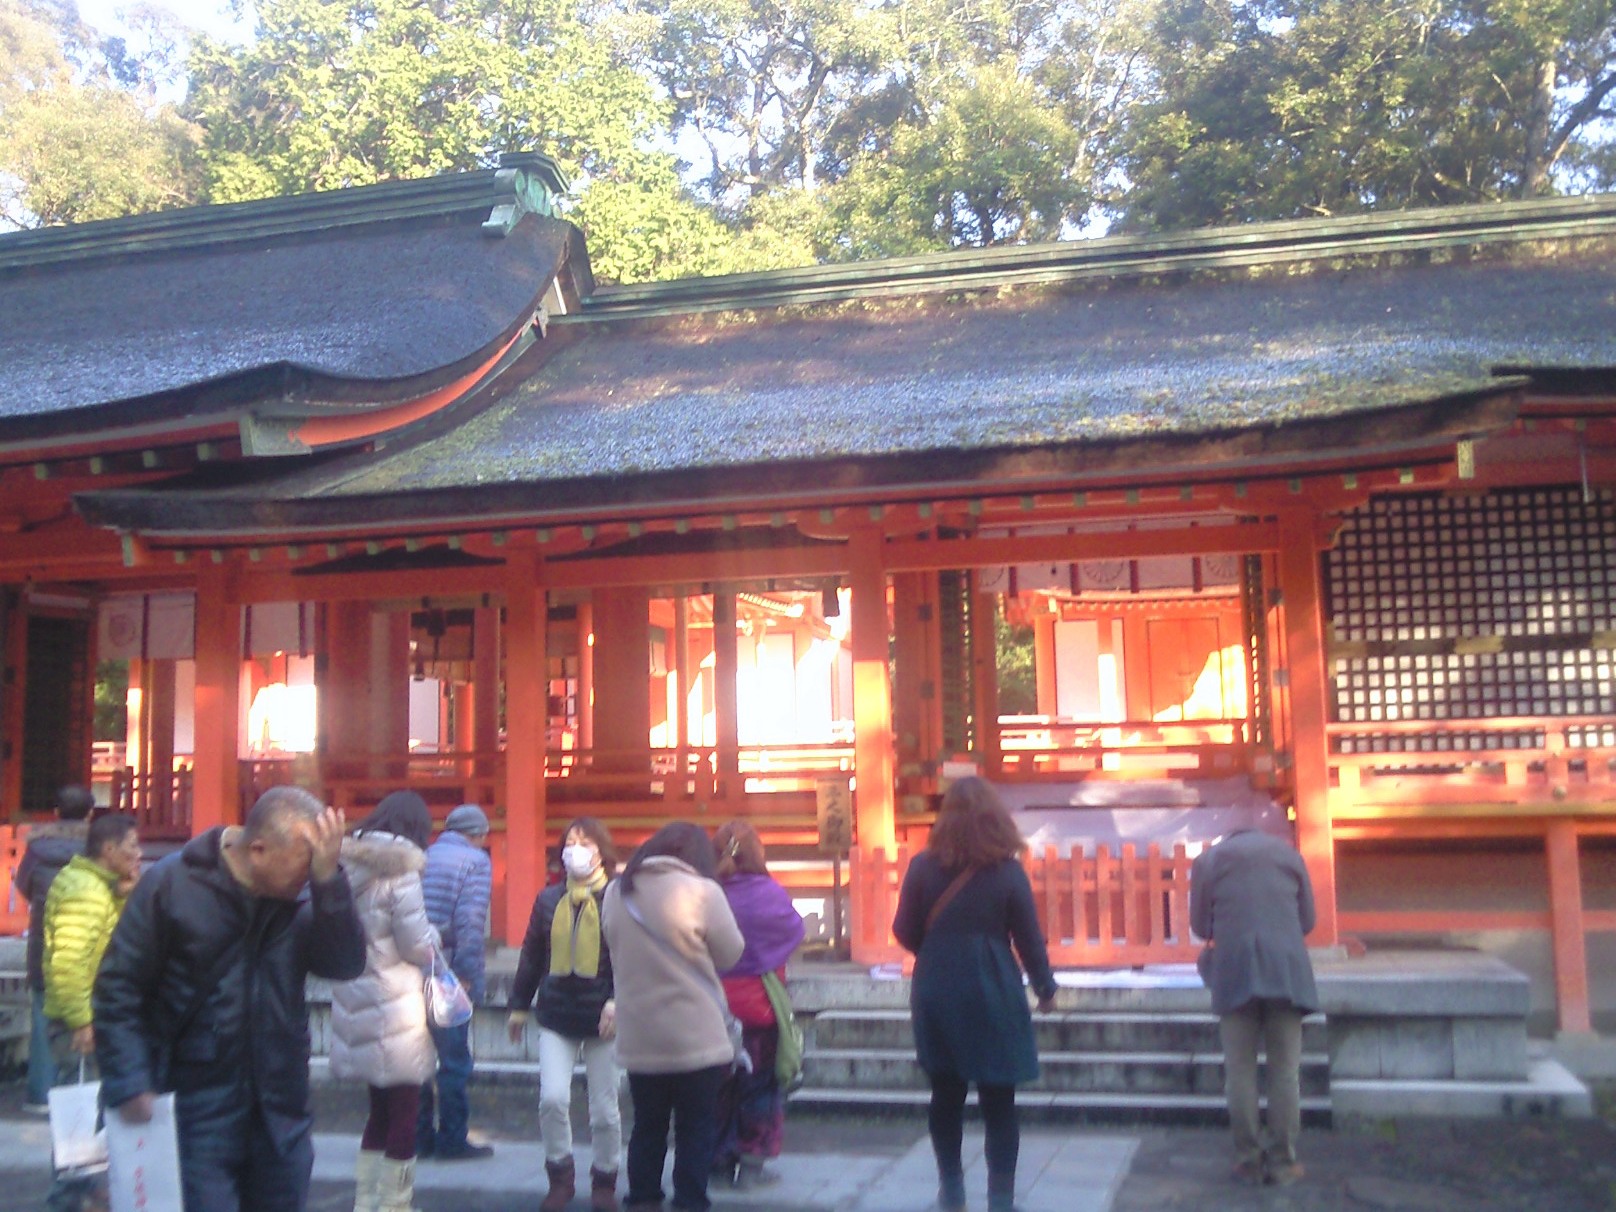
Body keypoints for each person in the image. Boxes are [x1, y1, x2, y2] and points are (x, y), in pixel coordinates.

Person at [93, 786, 365, 1212]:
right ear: (258, 850)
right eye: (305, 861)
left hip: (280, 1107)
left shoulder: (303, 893)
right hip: (194, 1103)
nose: (309, 873)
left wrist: (330, 882)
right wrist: (130, 1079)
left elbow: (345, 963)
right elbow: (119, 987)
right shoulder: (173, 884)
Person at [891, 777, 1058, 1212]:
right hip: (993, 984)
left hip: (937, 986)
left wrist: (937, 949)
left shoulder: (922, 868)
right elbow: (1028, 938)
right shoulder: (1007, 871)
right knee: (1000, 1101)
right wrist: (1044, 988)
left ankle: (951, 1191)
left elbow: (904, 930)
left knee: (945, 1093)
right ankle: (1001, 1200)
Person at [601, 822, 744, 1212]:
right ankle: (690, 1202)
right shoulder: (704, 892)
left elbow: (612, 944)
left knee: (647, 1126)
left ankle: (643, 1200)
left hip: (640, 1035)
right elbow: (731, 953)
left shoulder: (617, 892)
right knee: (695, 1129)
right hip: (696, 1036)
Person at [330, 791, 441, 1212]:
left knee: (378, 1111)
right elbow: (416, 944)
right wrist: (435, 938)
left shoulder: (344, 866)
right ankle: (395, 1204)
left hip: (355, 996)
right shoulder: (401, 871)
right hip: (395, 1006)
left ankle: (366, 1201)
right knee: (406, 1111)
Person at [1190, 826, 1318, 1188]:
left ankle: (1248, 1160)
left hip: (1235, 971)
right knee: (1285, 1072)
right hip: (1286, 973)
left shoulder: (1209, 861)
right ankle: (1283, 1162)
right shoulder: (1290, 856)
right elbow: (1307, 921)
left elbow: (1200, 926)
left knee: (1240, 1071)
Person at [507, 817, 622, 1212]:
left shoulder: (616, 898)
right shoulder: (548, 900)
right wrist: (518, 1006)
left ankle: (605, 1180)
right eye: (571, 842)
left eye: (585, 843)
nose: (576, 850)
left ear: (601, 851)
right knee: (552, 1099)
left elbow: (629, 956)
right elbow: (531, 955)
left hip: (604, 1018)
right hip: (556, 1013)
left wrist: (617, 1000)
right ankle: (560, 1177)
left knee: (605, 1111)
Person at [709, 820, 804, 1191]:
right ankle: (751, 1166)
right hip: (760, 1007)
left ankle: (715, 1163)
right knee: (760, 1088)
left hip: (713, 1006)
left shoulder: (709, 895)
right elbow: (794, 931)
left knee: (717, 1091)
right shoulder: (770, 893)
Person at [417, 802, 495, 1162]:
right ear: (478, 835)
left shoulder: (424, 856)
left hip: (412, 968)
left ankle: (418, 1137)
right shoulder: (475, 862)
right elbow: (470, 923)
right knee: (453, 1061)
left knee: (418, 1059)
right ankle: (452, 1139)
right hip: (446, 972)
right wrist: (467, 975)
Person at [42, 812, 142, 1080]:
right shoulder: (86, 892)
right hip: (81, 1015)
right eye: (132, 846)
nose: (139, 854)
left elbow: (105, 936)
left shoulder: (85, 881)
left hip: (83, 1008)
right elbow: (69, 963)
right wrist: (81, 1022)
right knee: (85, 1095)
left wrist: (120, 897)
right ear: (109, 849)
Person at [16, 784, 95, 1114]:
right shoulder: (97, 847)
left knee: (42, 1017)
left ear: (56, 812)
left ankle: (41, 1095)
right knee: (88, 1018)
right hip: (88, 945)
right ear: (90, 814)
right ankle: (81, 1098)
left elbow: (23, 885)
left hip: (44, 942)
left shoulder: (38, 848)